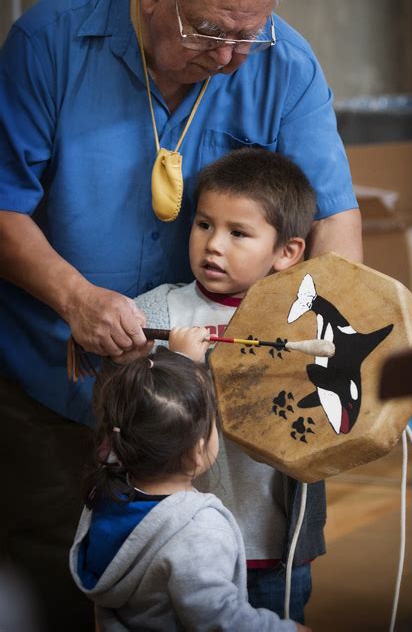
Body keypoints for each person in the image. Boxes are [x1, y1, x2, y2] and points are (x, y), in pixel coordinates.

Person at [0, 0, 361, 629]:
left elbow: (334, 223)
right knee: (62, 580)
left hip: (225, 412)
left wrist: (328, 340)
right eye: (210, 32)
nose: (230, 57)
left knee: (236, 571)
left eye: (247, 35)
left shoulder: (281, 61)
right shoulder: (49, 41)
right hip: (56, 376)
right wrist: (74, 297)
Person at [112, 147, 323, 624]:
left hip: (272, 544)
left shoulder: (305, 324)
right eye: (204, 224)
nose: (213, 245)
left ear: (286, 252)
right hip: (178, 538)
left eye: (238, 233)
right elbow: (133, 418)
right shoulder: (157, 313)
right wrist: (173, 366)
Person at [70, 347, 310, 631]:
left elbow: (141, 412)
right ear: (199, 450)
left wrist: (183, 363)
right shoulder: (198, 530)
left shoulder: (105, 495)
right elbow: (220, 619)